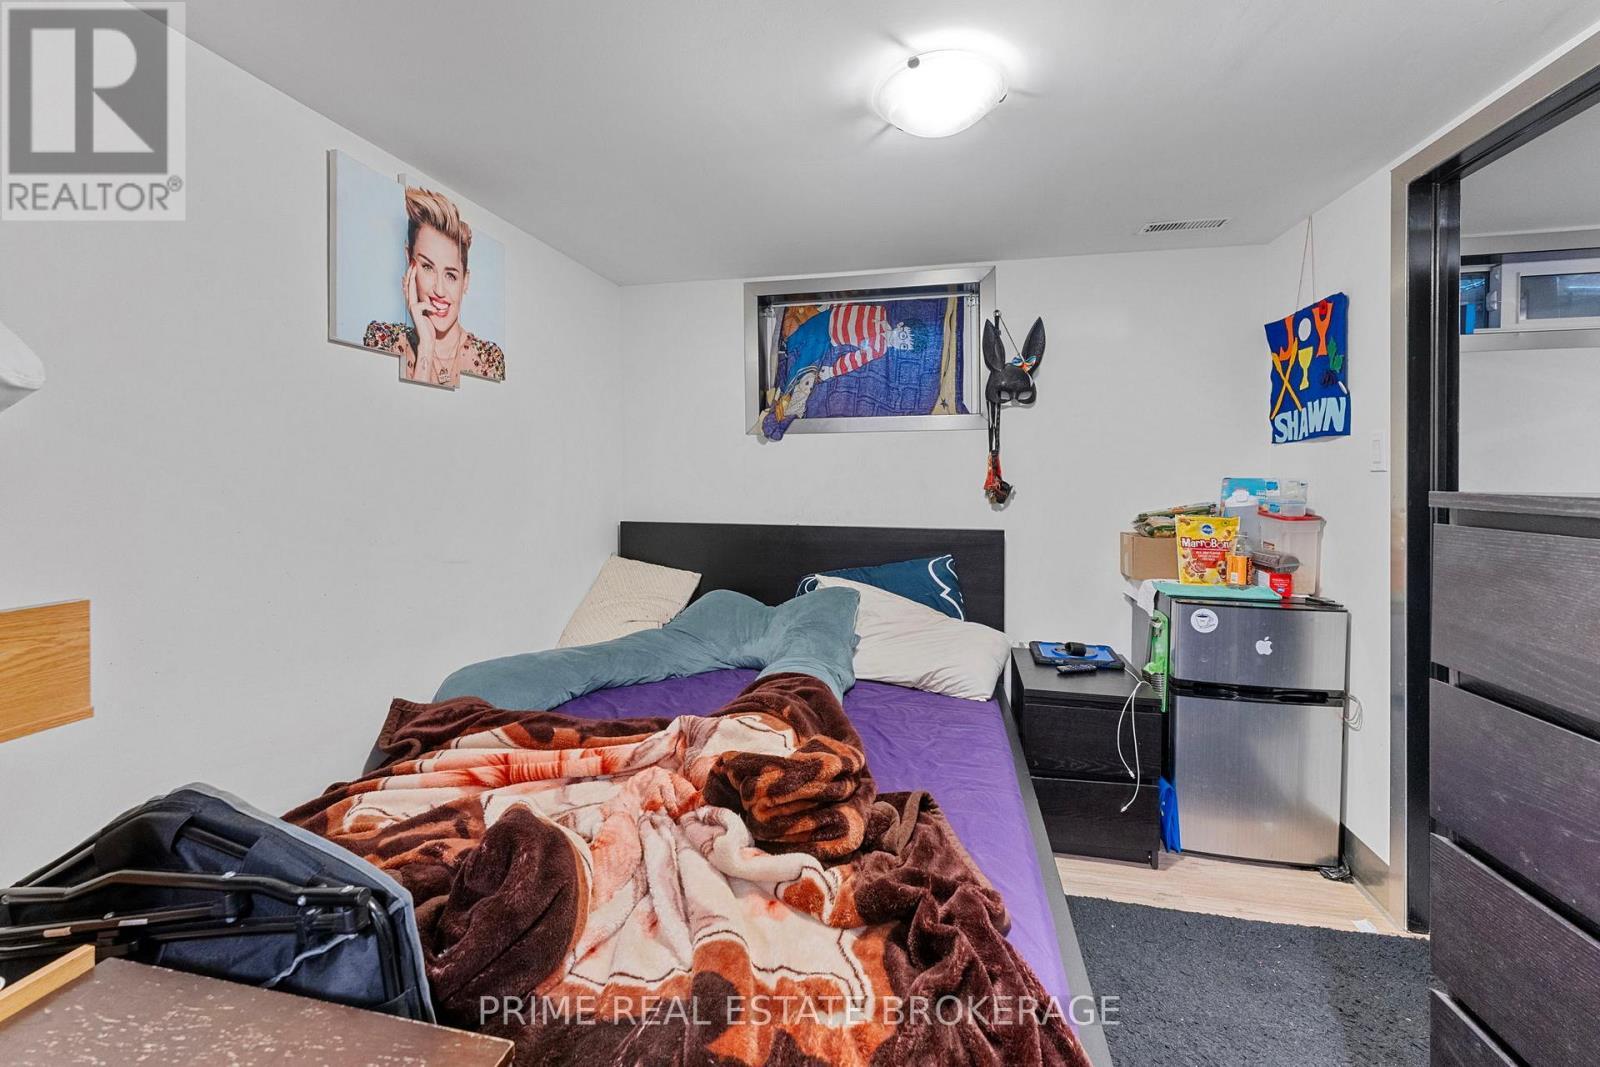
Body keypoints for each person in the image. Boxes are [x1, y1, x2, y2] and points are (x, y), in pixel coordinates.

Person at [364, 188, 505, 387]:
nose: (439, 290)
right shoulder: (384, 339)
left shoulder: (488, 358)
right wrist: (426, 347)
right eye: (428, 267)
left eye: (451, 275)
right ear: (409, 261)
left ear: (465, 281)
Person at [760, 303, 918, 438]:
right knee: (798, 345)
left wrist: (831, 372)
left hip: (827, 334)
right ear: (900, 326)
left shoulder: (880, 347)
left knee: (804, 362)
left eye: (903, 346)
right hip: (829, 316)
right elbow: (853, 307)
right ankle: (784, 405)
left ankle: (785, 410)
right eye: (903, 336)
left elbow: (854, 360)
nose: (898, 341)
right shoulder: (879, 312)